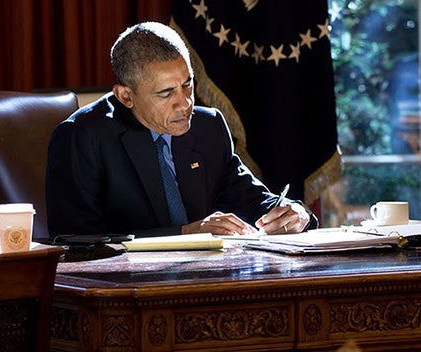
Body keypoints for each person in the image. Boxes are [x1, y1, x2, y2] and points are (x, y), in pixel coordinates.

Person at [45, 21, 316, 238]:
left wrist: (294, 212)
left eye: (188, 84)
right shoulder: (81, 137)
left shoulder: (208, 126)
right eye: (166, 93)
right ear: (126, 96)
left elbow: (251, 199)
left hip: (206, 282)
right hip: (125, 291)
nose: (185, 103)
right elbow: (76, 242)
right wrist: (185, 234)